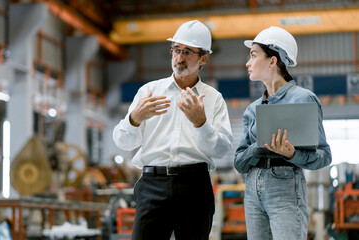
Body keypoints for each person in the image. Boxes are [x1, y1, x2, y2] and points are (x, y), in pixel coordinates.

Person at [113, 20, 233, 240]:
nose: (179, 57)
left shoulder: (213, 99)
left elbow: (222, 149)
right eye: (176, 50)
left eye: (187, 52)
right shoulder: (148, 92)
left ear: (203, 58)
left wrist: (201, 124)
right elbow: (123, 142)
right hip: (152, 184)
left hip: (195, 187)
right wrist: (134, 119)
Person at [234, 26, 332, 240]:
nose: (247, 63)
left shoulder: (303, 99)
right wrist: (258, 146)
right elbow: (239, 162)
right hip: (252, 189)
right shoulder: (252, 109)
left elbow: (324, 156)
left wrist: (291, 154)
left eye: (253, 55)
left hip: (285, 186)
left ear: (272, 60)